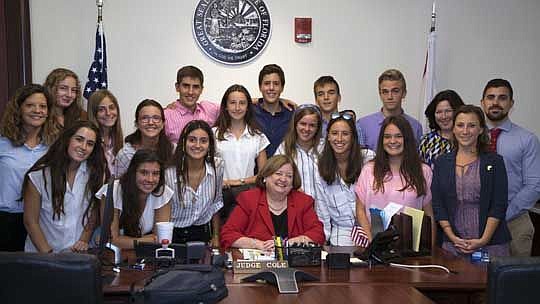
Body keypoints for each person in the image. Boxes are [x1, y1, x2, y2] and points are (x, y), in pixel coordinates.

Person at [432, 105, 511, 257]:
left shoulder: (495, 161)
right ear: (453, 129)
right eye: (460, 125)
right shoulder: (442, 162)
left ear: (481, 129)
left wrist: (483, 240)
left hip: (491, 245)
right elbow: (438, 204)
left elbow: (498, 205)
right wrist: (452, 237)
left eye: (472, 125)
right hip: (452, 245)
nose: (465, 131)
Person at [23, 121, 106, 253]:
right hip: (42, 257)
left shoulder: (94, 175)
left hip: (76, 256)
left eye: (90, 144)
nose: (83, 147)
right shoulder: (38, 176)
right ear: (67, 139)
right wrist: (49, 256)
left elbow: (94, 210)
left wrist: (84, 239)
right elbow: (30, 221)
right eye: (79, 139)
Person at [480, 79, 540, 256]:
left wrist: (502, 214)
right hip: (476, 220)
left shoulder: (527, 139)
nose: (495, 102)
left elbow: (534, 185)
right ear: (482, 102)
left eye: (502, 98)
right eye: (490, 97)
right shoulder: (470, 137)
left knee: (513, 281)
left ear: (511, 103)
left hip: (514, 221)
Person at [0, 84, 60, 251]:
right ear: (19, 109)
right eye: (30, 105)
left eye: (42, 106)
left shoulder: (53, 147)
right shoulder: (3, 143)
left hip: (41, 222)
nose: (37, 110)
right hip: (7, 222)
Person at [220, 155, 325, 250]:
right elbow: (228, 234)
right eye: (278, 174)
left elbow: (318, 234)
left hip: (294, 264)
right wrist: (257, 244)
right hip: (258, 265)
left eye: (289, 176)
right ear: (265, 176)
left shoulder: (303, 201)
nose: (283, 179)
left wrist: (293, 242)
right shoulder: (249, 199)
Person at [355, 116, 434, 241]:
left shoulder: (423, 171)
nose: (392, 141)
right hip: (374, 244)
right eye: (387, 136)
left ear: (407, 139)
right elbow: (360, 210)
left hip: (410, 248)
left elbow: (429, 213)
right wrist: (371, 243)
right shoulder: (369, 170)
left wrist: (431, 248)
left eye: (398, 136)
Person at [315, 112, 374, 245]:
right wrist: (323, 244)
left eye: (345, 134)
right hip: (342, 234)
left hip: (372, 229)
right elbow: (322, 212)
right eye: (334, 133)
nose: (339, 138)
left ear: (353, 137)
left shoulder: (368, 158)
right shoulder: (321, 168)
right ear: (328, 137)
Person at [213, 84, 269, 221]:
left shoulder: (258, 136)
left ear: (248, 107)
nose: (237, 108)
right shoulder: (213, 134)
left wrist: (238, 182)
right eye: (232, 103)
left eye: (242, 103)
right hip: (220, 196)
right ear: (225, 106)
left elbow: (263, 175)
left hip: (248, 194)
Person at [96, 149, 173, 249]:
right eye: (144, 172)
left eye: (155, 173)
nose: (150, 179)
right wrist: (148, 240)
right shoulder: (113, 191)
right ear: (133, 172)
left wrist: (123, 240)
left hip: (146, 255)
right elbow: (111, 240)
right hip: (112, 255)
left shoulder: (162, 192)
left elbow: (161, 240)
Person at [165, 120, 224, 247]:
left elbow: (216, 203)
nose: (197, 145)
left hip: (203, 234)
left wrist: (216, 236)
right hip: (173, 235)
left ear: (210, 145)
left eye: (203, 141)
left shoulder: (217, 166)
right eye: (192, 140)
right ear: (183, 143)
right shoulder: (168, 172)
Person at [356, 69, 423, 151]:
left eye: (395, 91)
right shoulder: (363, 125)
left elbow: (416, 159)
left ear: (404, 93)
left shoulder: (415, 127)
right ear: (380, 94)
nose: (390, 97)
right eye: (385, 92)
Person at [115, 99, 174, 177]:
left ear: (163, 123)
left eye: (156, 118)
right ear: (137, 124)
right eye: (144, 118)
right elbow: (120, 186)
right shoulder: (126, 154)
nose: (150, 122)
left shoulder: (173, 150)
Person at [275, 104, 323, 197]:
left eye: (312, 125)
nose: (307, 129)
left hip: (324, 208)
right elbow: (273, 178)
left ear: (318, 128)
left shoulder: (325, 147)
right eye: (303, 124)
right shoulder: (284, 148)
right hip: (295, 204)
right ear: (295, 124)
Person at [164, 66, 220, 144]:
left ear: (201, 89)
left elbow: (234, 110)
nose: (190, 92)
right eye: (186, 86)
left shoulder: (209, 110)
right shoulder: (166, 116)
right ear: (177, 87)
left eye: (196, 87)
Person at [253, 64, 294, 157]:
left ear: (282, 88)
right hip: (256, 171)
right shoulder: (250, 112)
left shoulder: (292, 115)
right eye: (267, 83)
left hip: (284, 170)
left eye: (276, 84)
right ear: (260, 87)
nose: (271, 88)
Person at [313, 75, 366, 145]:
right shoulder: (312, 125)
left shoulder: (352, 125)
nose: (326, 97)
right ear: (316, 100)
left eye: (331, 93)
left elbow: (360, 152)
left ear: (339, 97)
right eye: (321, 94)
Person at [419, 90, 465, 167]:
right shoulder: (426, 141)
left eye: (448, 111)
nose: (444, 116)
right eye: (439, 112)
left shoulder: (466, 138)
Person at [87, 89, 124, 174]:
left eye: (111, 108)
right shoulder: (89, 141)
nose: (108, 113)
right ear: (94, 113)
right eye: (101, 109)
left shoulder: (117, 139)